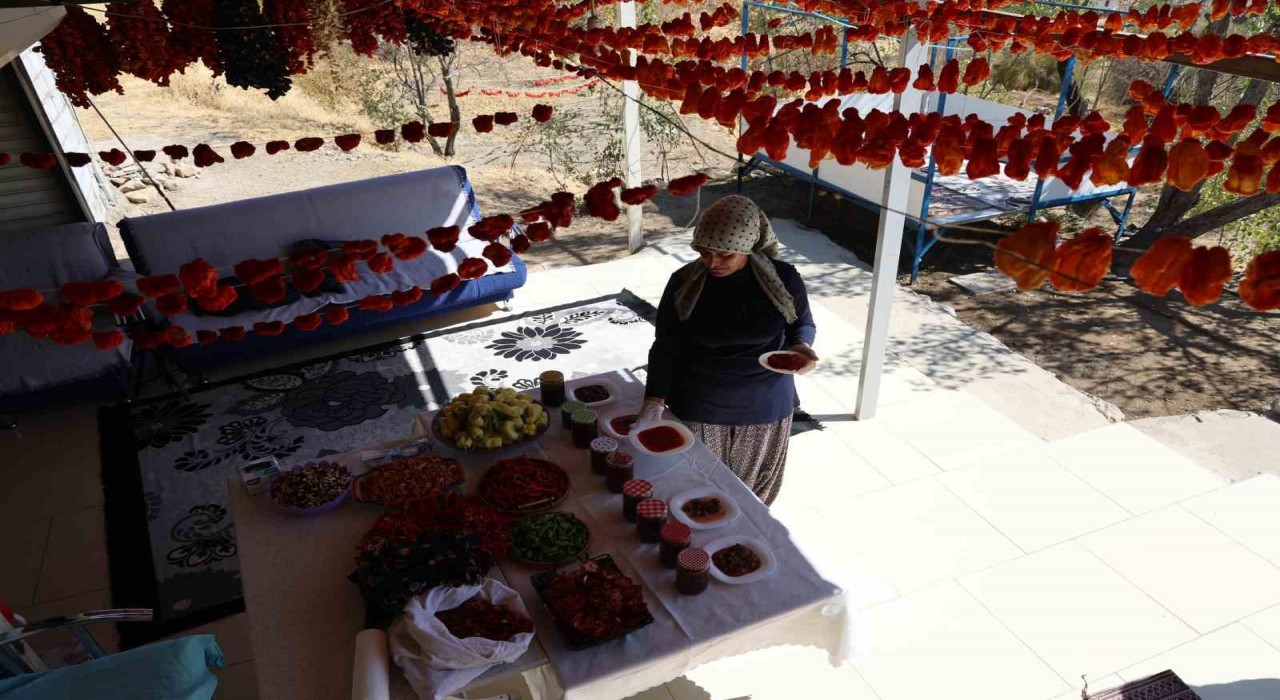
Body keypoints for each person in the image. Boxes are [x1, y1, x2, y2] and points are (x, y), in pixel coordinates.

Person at [640, 195, 817, 505]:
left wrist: (802, 347)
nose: (712, 263)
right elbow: (666, 344)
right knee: (697, 488)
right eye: (704, 253)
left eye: (724, 255)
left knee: (749, 496)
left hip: (765, 405)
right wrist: (654, 399)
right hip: (699, 403)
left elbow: (802, 324)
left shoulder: (782, 278)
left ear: (746, 248)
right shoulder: (684, 283)